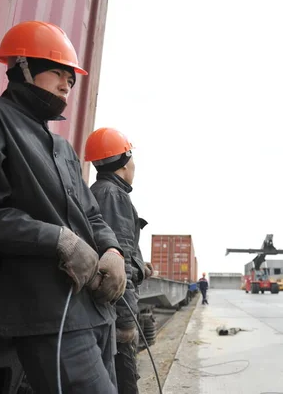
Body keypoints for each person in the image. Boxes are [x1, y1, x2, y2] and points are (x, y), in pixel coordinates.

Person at [0, 21, 128, 394]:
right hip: (47, 312)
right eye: (57, 73)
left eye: (71, 82)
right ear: (22, 66)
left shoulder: (62, 149)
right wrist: (58, 240)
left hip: (94, 309)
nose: (65, 87)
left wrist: (113, 249)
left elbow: (91, 214)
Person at [84, 127, 153, 394]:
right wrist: (126, 323)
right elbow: (117, 264)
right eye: (131, 157)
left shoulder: (99, 190)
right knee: (124, 381)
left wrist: (142, 268)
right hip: (115, 310)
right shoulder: (115, 195)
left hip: (105, 308)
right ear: (124, 163)